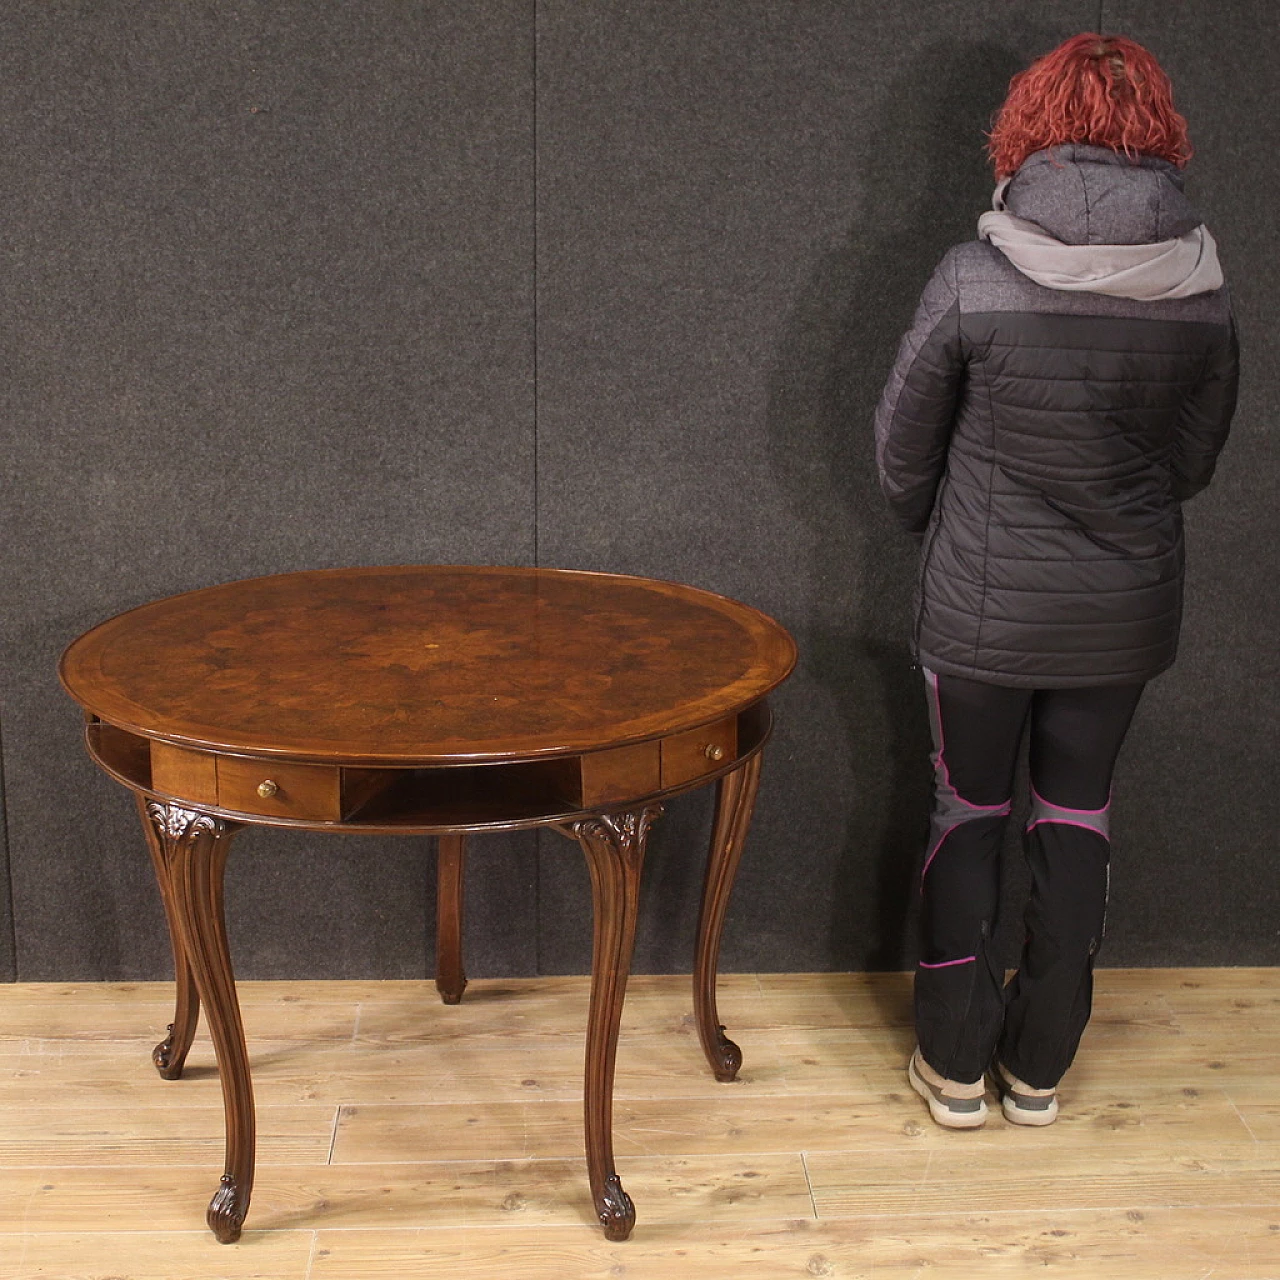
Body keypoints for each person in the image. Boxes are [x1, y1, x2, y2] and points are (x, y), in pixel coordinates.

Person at [873, 34, 1237, 1129]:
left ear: (1025, 133)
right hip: (1120, 613)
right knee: (1075, 812)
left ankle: (951, 1066)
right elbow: (1190, 465)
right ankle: (1037, 1070)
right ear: (1158, 139)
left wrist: (939, 532)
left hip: (979, 613)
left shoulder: (970, 277)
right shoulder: (1201, 288)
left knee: (966, 809)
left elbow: (900, 452)